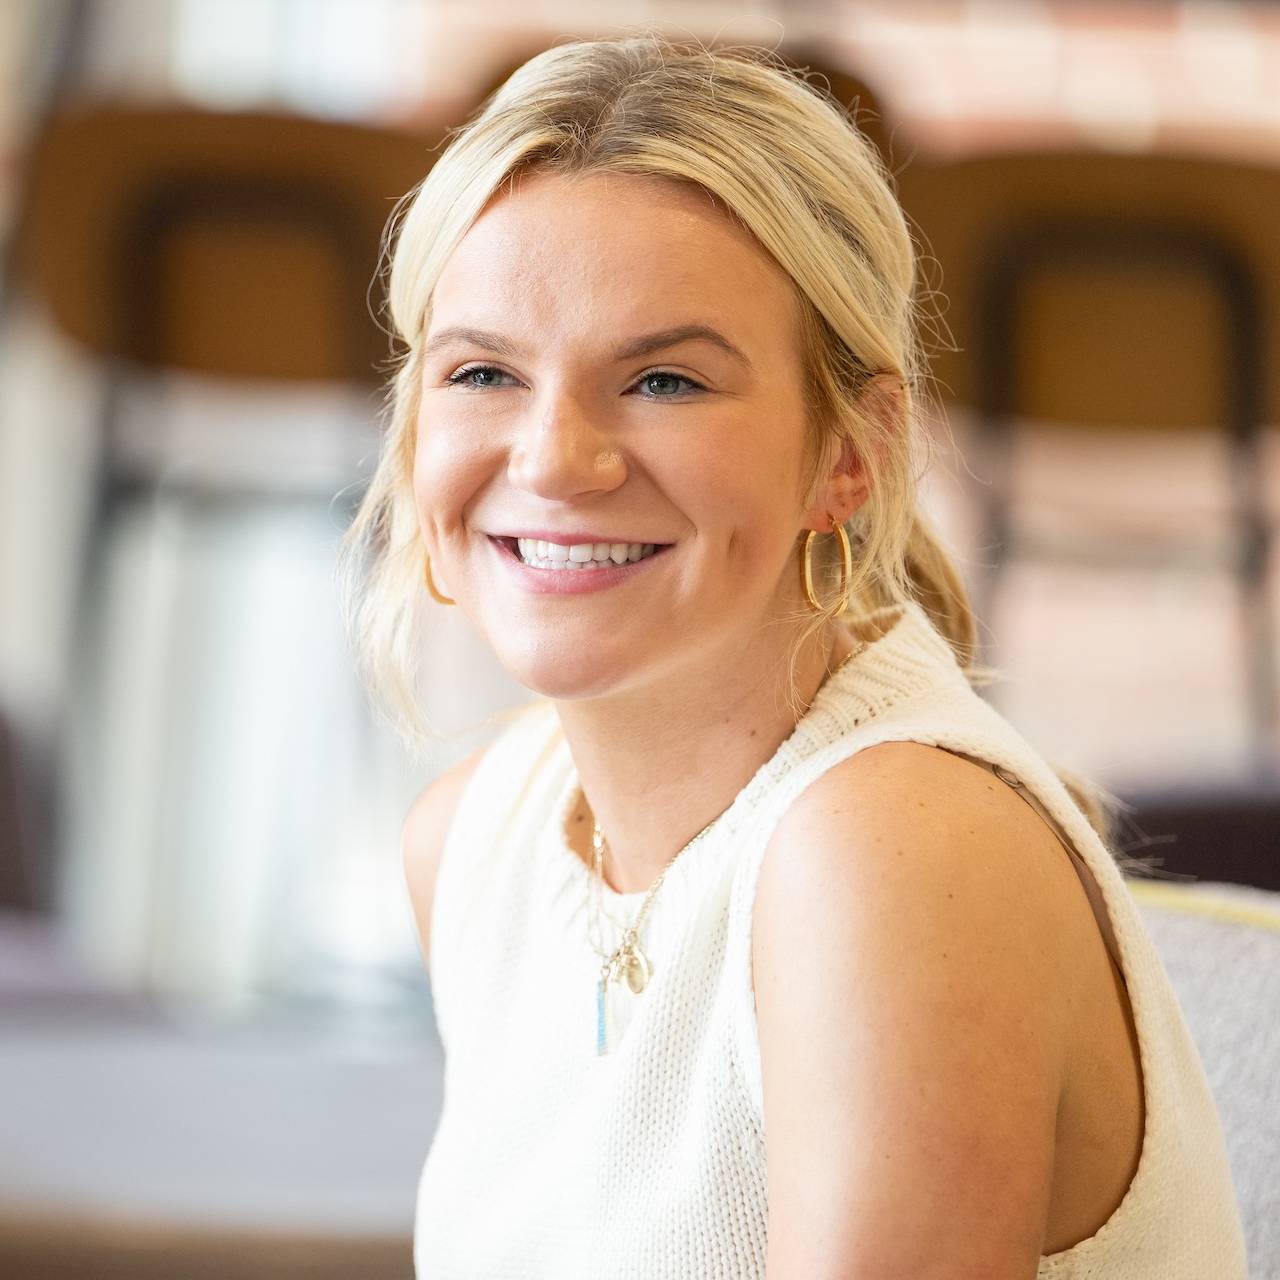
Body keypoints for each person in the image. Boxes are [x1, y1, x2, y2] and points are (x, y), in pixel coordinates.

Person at [337, 32, 1247, 1280]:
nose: (551, 459)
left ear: (849, 456)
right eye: (483, 370)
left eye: (662, 379)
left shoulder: (888, 850)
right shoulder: (476, 836)